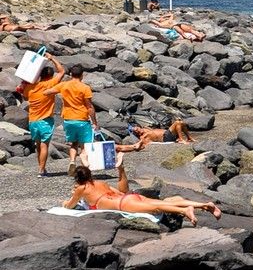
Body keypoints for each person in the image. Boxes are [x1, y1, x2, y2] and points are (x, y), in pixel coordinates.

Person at [62, 151, 221, 226]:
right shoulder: (100, 184)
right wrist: (84, 159)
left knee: (159, 206)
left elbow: (70, 205)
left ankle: (186, 211)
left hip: (124, 205)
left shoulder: (80, 189)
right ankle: (205, 205)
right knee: (161, 203)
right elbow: (122, 192)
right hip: (129, 197)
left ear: (78, 180)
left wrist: (65, 204)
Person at [18, 52, 66, 176]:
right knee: (45, 145)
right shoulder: (49, 84)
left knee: (38, 145)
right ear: (50, 77)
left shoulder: (30, 87)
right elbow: (62, 72)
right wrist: (52, 58)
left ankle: (41, 168)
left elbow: (25, 97)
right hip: (45, 120)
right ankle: (41, 170)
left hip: (32, 121)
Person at [57, 63, 98, 174]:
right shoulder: (85, 88)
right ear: (82, 75)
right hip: (82, 119)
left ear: (70, 74)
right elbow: (89, 107)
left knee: (73, 143)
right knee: (85, 145)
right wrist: (94, 122)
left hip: (68, 119)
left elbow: (48, 91)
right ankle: (86, 165)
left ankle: (72, 161)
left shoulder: (64, 85)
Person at [119, 119, 195, 148]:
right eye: (137, 132)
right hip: (166, 137)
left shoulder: (146, 128)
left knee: (182, 123)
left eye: (138, 129)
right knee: (177, 123)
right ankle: (181, 139)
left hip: (168, 134)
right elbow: (142, 143)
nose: (138, 131)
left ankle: (189, 137)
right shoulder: (143, 136)